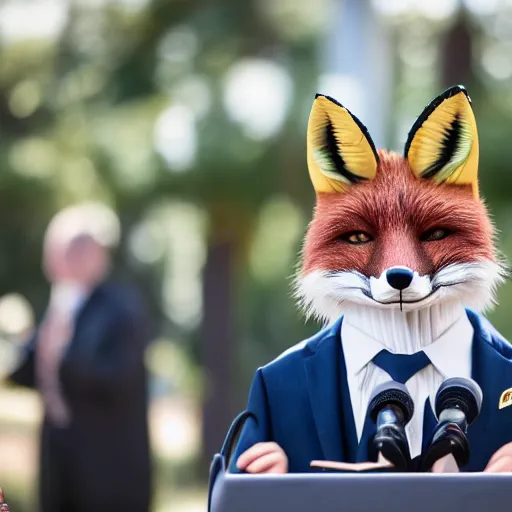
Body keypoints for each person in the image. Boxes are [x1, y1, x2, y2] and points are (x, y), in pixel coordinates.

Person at [221, 86, 512, 475]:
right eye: (360, 238)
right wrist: (264, 496)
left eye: (433, 234)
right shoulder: (281, 388)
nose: (399, 267)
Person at [9, 203, 152, 511]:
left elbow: (117, 377)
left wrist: (61, 358)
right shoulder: (60, 306)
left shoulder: (119, 308)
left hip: (107, 465)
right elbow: (34, 370)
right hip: (61, 455)